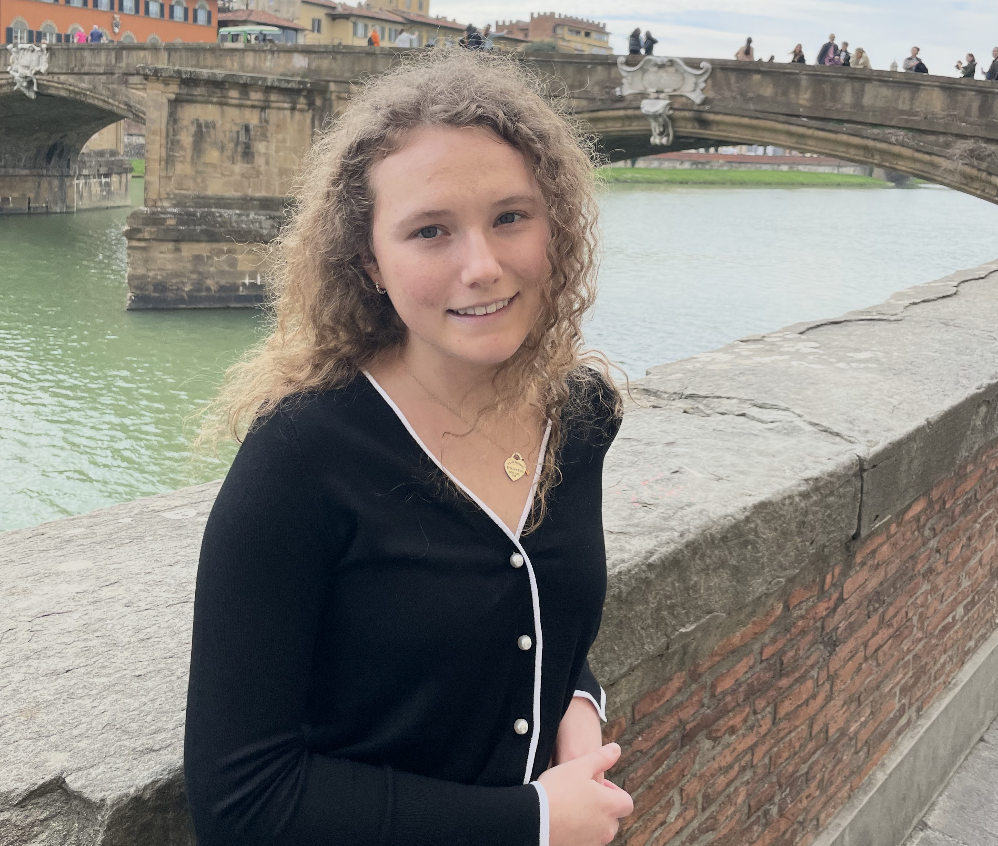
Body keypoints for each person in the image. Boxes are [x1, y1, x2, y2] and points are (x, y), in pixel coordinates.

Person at [183, 51, 634, 846]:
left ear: (553, 225)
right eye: (431, 231)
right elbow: (243, 799)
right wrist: (530, 822)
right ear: (369, 262)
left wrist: (576, 701)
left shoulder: (581, 414)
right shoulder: (302, 454)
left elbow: (541, 609)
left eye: (511, 217)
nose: (483, 266)